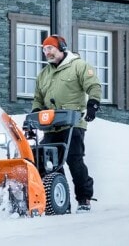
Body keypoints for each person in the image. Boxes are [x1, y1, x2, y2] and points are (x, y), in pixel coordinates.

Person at [31, 34, 102, 213]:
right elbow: (38, 98)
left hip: (73, 123)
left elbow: (93, 85)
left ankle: (84, 199)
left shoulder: (79, 66)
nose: (47, 52)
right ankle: (60, 202)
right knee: (47, 161)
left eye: (50, 48)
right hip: (50, 125)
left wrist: (93, 104)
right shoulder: (43, 74)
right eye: (44, 49)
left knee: (73, 159)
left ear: (61, 48)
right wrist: (35, 112)